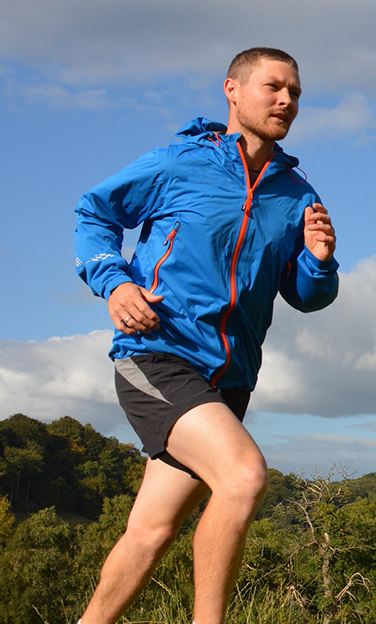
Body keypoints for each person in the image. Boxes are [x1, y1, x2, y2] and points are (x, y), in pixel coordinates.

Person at [73, 47, 338, 624]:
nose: (287, 101)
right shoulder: (179, 163)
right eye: (273, 87)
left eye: (295, 92)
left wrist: (319, 260)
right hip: (158, 353)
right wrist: (115, 282)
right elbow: (94, 213)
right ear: (233, 90)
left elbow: (307, 296)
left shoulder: (296, 194)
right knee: (243, 477)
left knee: (150, 532)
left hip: (230, 381)